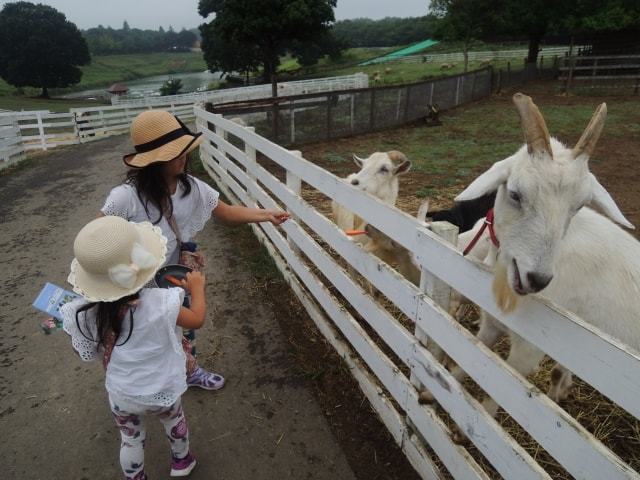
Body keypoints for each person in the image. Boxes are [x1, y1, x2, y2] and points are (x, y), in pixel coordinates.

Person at [99, 110, 290, 389]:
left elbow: (226, 212)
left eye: (183, 149)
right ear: (154, 160)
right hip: (136, 283)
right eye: (174, 152)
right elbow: (98, 237)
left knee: (185, 327)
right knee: (143, 333)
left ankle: (190, 371)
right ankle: (144, 384)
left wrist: (266, 215)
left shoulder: (192, 188)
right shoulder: (125, 198)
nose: (183, 156)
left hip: (174, 274)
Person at [61, 216, 205, 479]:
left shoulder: (83, 313)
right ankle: (182, 462)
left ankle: (135, 476)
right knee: (174, 422)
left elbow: (86, 351)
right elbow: (197, 319)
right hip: (163, 386)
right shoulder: (162, 303)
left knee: (130, 439)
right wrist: (197, 289)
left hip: (123, 392)